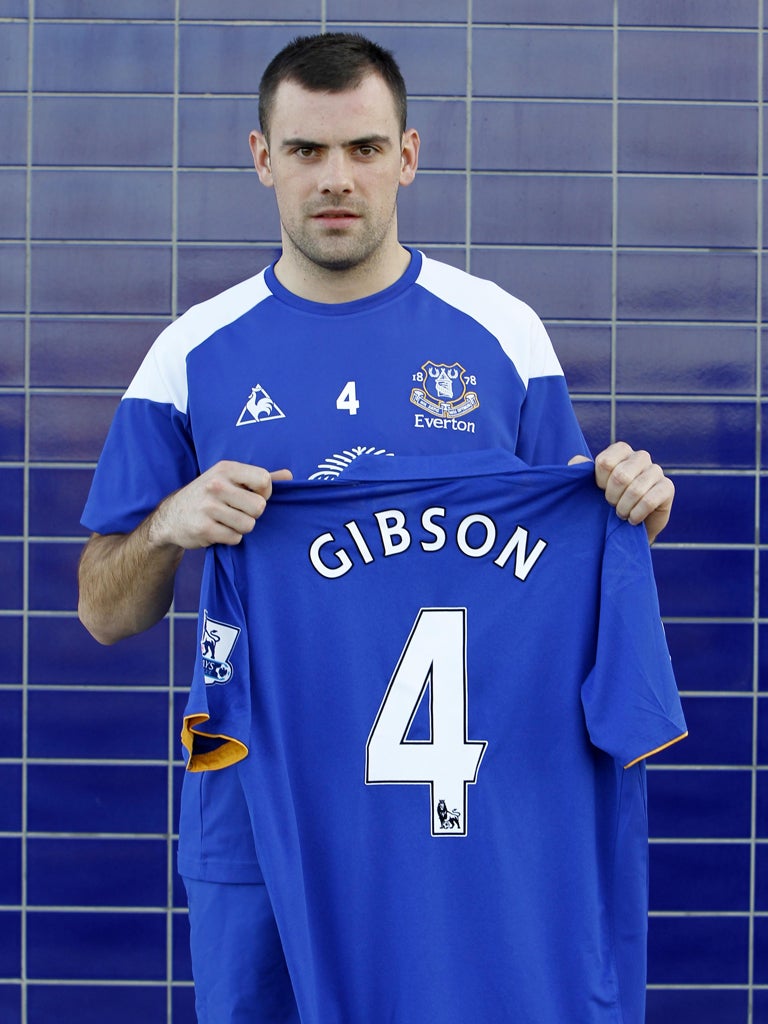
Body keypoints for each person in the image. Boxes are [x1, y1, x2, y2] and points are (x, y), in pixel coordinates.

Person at [78, 32, 675, 1023]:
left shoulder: (501, 333)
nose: (335, 178)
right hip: (258, 795)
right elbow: (104, 608)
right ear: (263, 159)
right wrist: (171, 526)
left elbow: (565, 560)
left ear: (407, 154)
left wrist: (630, 509)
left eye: (362, 149)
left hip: (449, 802)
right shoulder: (191, 352)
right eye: (307, 152)